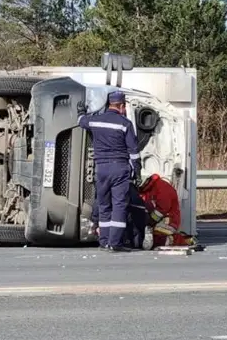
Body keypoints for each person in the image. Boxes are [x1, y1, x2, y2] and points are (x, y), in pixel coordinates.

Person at [77, 90, 142, 252]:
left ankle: (104, 241)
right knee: (119, 205)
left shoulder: (96, 121)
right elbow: (133, 151)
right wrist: (137, 170)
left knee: (104, 205)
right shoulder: (125, 123)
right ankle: (115, 243)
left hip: (101, 169)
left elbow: (81, 121)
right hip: (119, 168)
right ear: (121, 106)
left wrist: (81, 111)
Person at [138, 174, 197, 249]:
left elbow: (162, 210)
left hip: (169, 220)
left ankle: (185, 240)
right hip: (155, 220)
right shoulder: (146, 189)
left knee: (159, 240)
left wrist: (150, 222)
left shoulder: (162, 188)